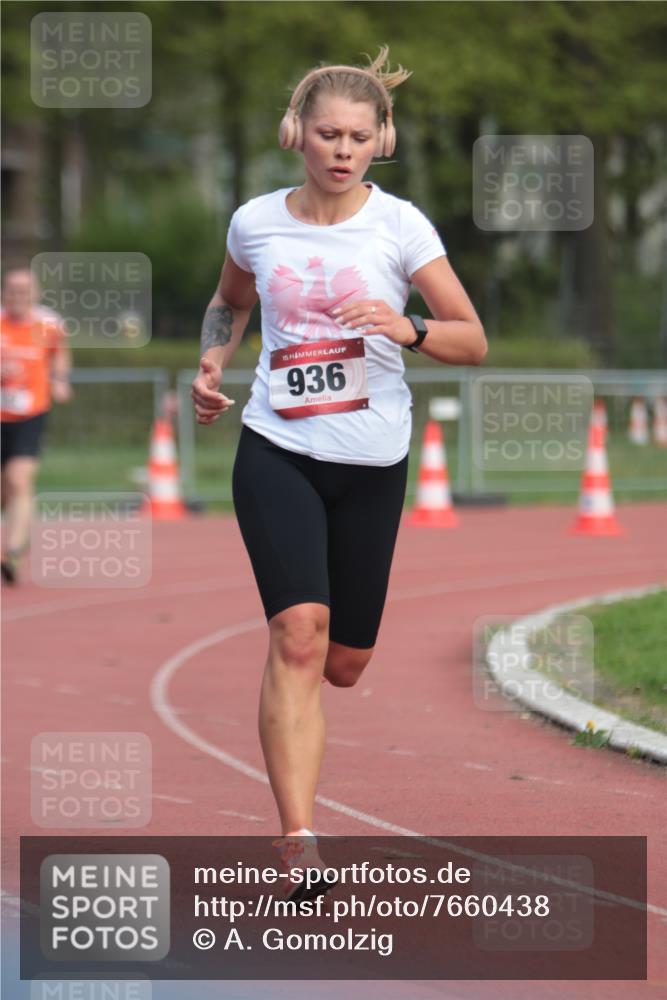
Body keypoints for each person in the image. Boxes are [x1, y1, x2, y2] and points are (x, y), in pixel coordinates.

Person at [191, 46, 486, 902]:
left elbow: (471, 340)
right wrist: (213, 361)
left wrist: (407, 328)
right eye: (327, 133)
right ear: (296, 133)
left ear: (381, 139)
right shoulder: (254, 221)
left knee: (344, 663)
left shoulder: (400, 228)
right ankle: (298, 837)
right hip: (276, 446)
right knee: (299, 635)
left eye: (359, 135)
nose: (342, 149)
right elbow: (231, 299)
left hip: (372, 459)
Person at [1, 269, 72, 584]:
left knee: (19, 478)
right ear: (4, 293)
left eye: (24, 291)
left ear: (35, 293)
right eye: (13, 290)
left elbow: (60, 356)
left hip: (31, 412)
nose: (18, 296)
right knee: (5, 487)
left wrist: (59, 381)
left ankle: (13, 551)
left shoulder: (49, 325)